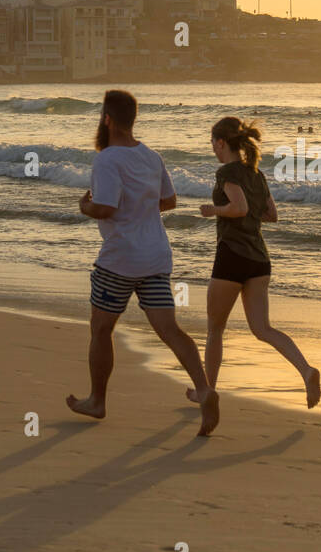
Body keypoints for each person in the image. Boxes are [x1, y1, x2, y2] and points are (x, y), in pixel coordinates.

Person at [67, 89, 219, 435]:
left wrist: (83, 206)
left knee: (101, 328)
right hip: (155, 256)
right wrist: (140, 207)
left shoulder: (107, 159)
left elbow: (105, 207)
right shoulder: (151, 156)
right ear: (132, 119)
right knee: (170, 330)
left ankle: (98, 401)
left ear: (107, 119)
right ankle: (205, 388)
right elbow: (169, 201)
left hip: (119, 259)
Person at [192, 116, 320, 410]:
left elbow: (240, 207)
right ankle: (306, 370)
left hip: (232, 256)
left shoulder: (228, 173)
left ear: (221, 142)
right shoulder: (257, 175)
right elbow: (271, 214)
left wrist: (214, 210)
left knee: (215, 329)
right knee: (263, 329)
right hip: (259, 260)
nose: (212, 148)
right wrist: (244, 213)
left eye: (213, 142)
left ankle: (207, 392)